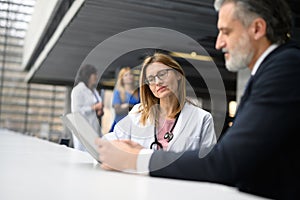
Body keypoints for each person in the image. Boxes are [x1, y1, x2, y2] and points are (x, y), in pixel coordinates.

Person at [95, 0, 300, 199]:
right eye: (150, 79)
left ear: (257, 28)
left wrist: (137, 159)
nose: (219, 43)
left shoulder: (285, 68)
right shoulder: (271, 70)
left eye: (226, 31)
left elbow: (226, 162)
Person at [104, 53, 216, 154]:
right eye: (151, 79)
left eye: (162, 74)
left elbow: (209, 164)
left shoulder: (202, 119)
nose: (157, 82)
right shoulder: (138, 113)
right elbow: (111, 142)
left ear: (178, 75)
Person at [71, 64, 104, 151]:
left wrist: (99, 111)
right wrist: (94, 107)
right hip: (83, 130)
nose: (96, 77)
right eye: (94, 74)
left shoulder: (94, 91)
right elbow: (76, 111)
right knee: (83, 157)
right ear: (88, 75)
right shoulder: (78, 90)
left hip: (94, 129)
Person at [109, 67, 140, 132]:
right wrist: (131, 106)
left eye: (130, 74)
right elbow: (117, 110)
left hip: (135, 125)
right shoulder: (118, 92)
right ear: (122, 79)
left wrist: (125, 106)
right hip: (121, 125)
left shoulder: (138, 92)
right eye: (126, 75)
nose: (129, 76)